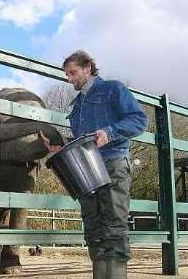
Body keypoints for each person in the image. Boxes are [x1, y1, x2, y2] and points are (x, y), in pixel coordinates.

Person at [46, 50, 147, 278]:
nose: (69, 79)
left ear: (88, 68)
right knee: (93, 227)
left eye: (72, 73)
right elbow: (85, 139)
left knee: (113, 225)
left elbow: (139, 120)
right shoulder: (77, 104)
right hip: (85, 169)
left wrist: (109, 133)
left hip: (113, 164)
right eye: (67, 75)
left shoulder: (113, 89)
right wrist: (63, 147)